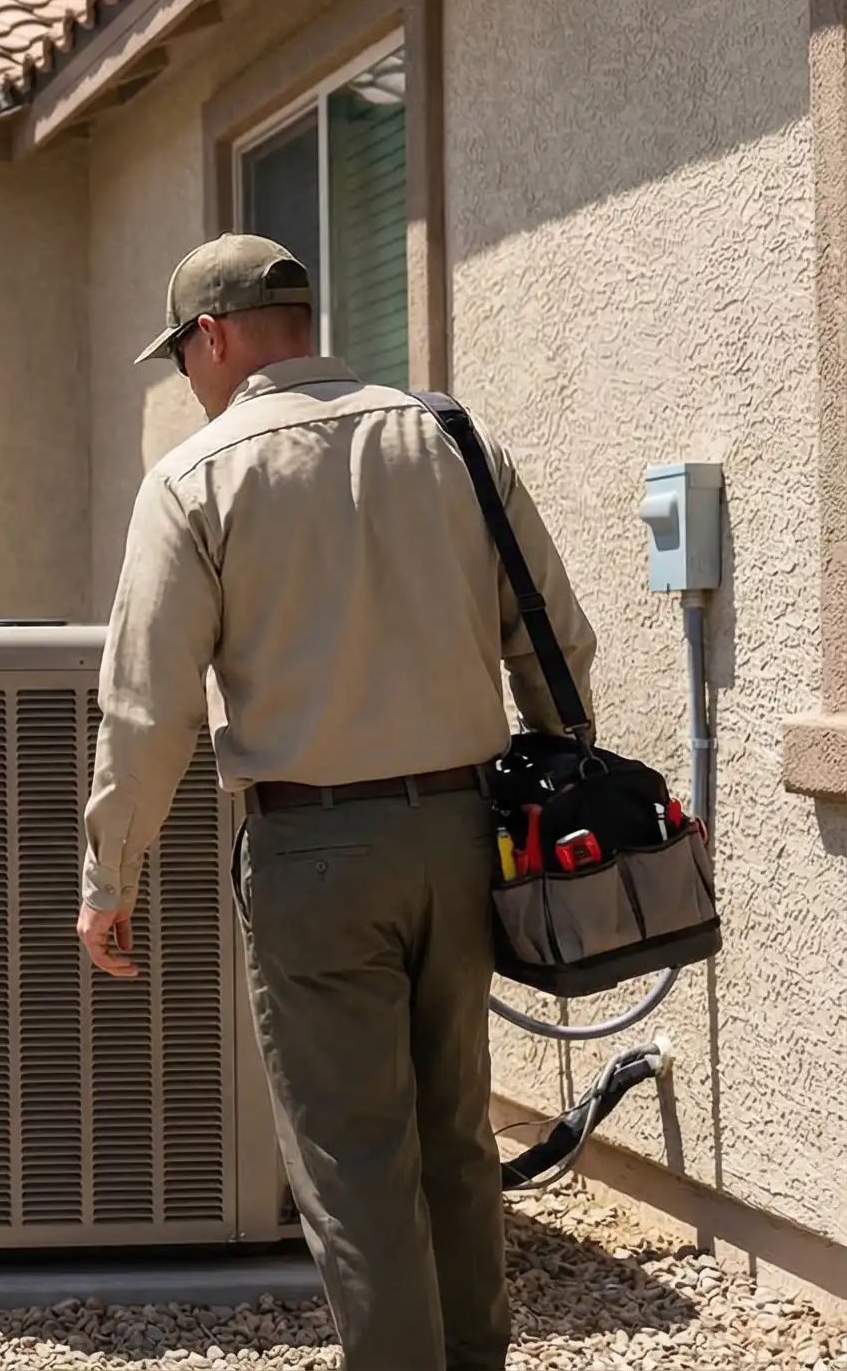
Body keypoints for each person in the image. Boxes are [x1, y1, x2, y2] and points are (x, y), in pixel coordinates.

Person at [76, 234, 596, 1371]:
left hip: (312, 851)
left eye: (181, 356)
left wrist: (110, 878)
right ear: (300, 321)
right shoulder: (452, 439)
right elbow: (554, 641)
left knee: (355, 1158)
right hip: (464, 838)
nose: (187, 378)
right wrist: (552, 799)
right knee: (456, 1131)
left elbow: (146, 711)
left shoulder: (195, 477)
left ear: (210, 337)